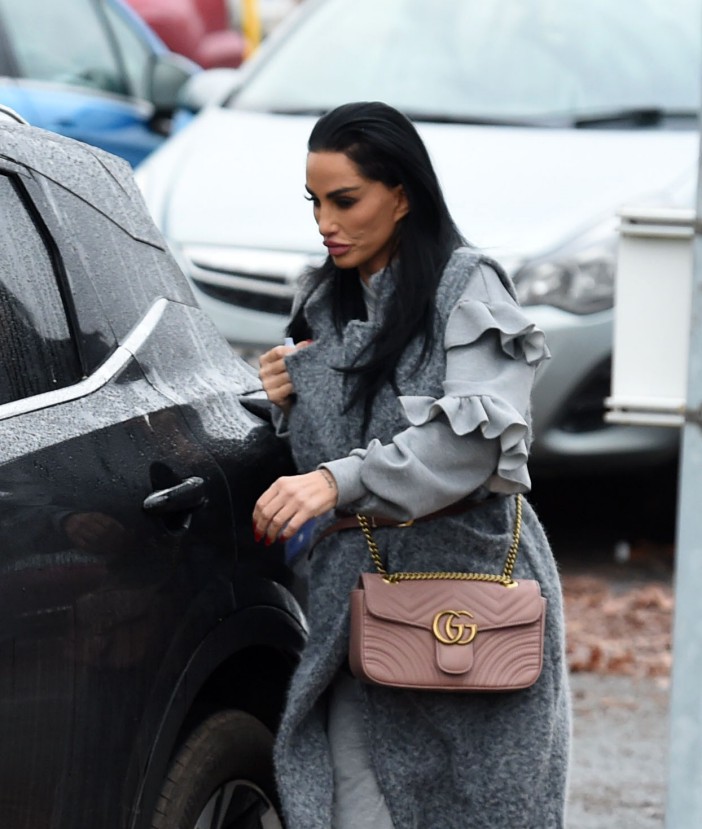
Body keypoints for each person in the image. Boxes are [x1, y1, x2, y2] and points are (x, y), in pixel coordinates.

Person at [252, 101, 571, 829]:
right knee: (349, 807)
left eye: (345, 200)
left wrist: (338, 479)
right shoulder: (324, 303)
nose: (325, 222)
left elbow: (467, 445)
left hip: (473, 590)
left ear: (401, 194)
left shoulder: (468, 287)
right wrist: (288, 399)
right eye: (315, 202)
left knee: (484, 806)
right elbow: (321, 458)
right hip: (358, 607)